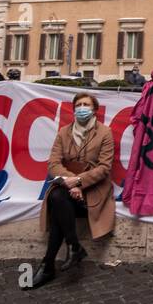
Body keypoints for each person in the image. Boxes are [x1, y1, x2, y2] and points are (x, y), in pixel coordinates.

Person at [25, 92, 116, 291]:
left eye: (86, 104)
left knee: (58, 203)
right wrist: (70, 183)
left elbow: (104, 167)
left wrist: (79, 182)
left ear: (94, 110)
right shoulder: (64, 132)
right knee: (58, 197)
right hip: (68, 187)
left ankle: (49, 264)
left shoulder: (105, 133)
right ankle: (72, 248)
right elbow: (53, 164)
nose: (82, 108)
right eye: (79, 104)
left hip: (94, 190)